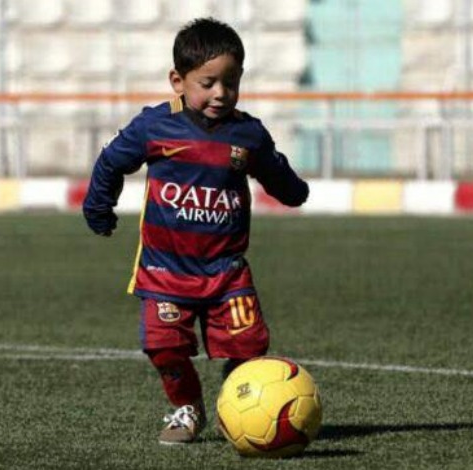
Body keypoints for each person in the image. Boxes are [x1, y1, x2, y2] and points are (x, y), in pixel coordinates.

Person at [83, 17, 309, 445]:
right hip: (165, 271)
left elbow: (276, 173)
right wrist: (99, 208)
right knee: (164, 347)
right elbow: (112, 161)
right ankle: (187, 408)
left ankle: (241, 402)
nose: (220, 93)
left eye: (231, 82)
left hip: (226, 272)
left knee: (250, 348)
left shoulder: (248, 133)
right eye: (208, 83)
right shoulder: (155, 126)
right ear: (178, 80)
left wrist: (294, 192)